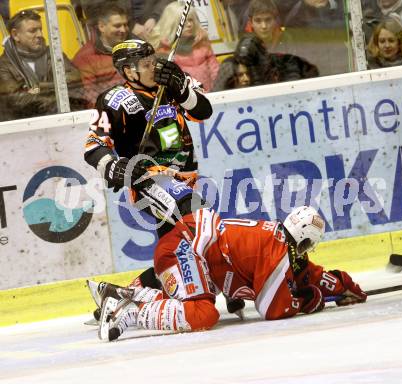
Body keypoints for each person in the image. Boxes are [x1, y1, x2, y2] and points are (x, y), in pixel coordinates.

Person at [97, 205, 366, 341]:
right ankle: (132, 312)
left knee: (199, 304)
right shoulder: (277, 250)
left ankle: (129, 296)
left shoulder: (278, 243)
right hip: (185, 249)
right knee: (204, 313)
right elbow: (273, 308)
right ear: (305, 240)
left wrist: (343, 285)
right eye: (308, 245)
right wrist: (310, 301)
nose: (306, 251)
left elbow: (308, 274)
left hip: (186, 247)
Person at [84, 38, 212, 236]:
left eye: (153, 61)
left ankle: (165, 267)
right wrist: (113, 168)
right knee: (201, 220)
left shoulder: (173, 81)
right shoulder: (113, 101)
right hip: (149, 179)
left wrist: (183, 91)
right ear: (128, 71)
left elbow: (204, 111)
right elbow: (94, 145)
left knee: (176, 249)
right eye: (146, 65)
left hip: (186, 178)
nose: (154, 67)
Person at [0, 10, 84, 121]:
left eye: (40, 29)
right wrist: (56, 97)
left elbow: (76, 83)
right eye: (32, 31)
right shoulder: (4, 65)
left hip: (61, 120)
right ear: (15, 35)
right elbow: (16, 100)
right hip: (22, 126)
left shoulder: (55, 54)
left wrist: (39, 86)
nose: (39, 35)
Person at [147, 2, 220, 92]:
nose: (189, 25)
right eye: (184, 21)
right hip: (181, 100)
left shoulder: (202, 42)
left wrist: (216, 92)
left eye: (191, 20)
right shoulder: (162, 51)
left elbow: (215, 70)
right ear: (172, 23)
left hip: (210, 95)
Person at [72, 3, 130, 108]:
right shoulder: (85, 58)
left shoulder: (134, 47)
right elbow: (90, 101)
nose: (123, 30)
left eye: (125, 25)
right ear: (102, 26)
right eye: (117, 26)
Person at [213, 33, 318, 91]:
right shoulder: (229, 68)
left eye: (249, 73)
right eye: (240, 75)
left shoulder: (280, 65)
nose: (245, 79)